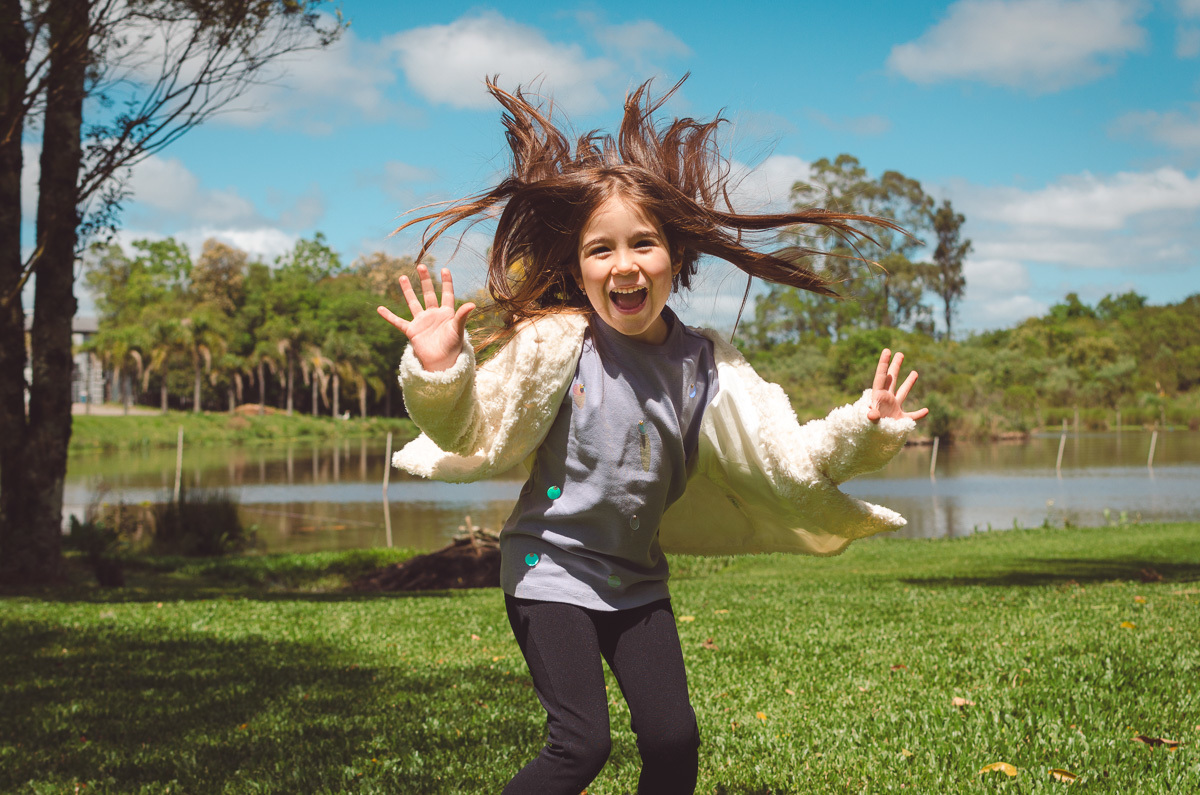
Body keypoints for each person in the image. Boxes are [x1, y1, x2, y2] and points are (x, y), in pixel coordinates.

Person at [377, 77, 928, 795]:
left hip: (636, 577)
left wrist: (865, 425)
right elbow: (474, 424)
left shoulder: (706, 363)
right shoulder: (558, 343)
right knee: (581, 745)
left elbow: (790, 457)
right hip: (549, 569)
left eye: (643, 242)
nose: (624, 263)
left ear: (676, 254)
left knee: (674, 741)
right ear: (578, 269)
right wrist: (441, 365)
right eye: (600, 250)